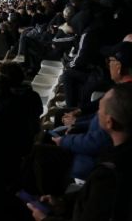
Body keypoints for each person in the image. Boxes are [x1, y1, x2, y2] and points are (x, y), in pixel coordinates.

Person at [28, 83, 132, 221]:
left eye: (100, 109)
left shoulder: (108, 176)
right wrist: (64, 202)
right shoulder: (117, 156)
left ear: (109, 122)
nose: (97, 112)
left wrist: (45, 218)